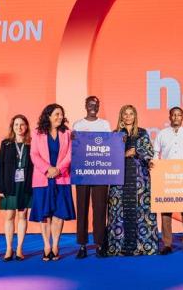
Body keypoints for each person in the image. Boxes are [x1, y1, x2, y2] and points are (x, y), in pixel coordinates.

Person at [106, 105, 158, 256]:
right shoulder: (115, 134)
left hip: (139, 179)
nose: (128, 117)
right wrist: (125, 154)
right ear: (121, 116)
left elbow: (149, 152)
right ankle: (118, 246)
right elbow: (108, 157)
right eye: (125, 114)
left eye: (131, 114)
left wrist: (137, 151)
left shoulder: (142, 133)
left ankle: (144, 246)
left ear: (135, 116)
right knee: (118, 211)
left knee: (142, 211)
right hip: (119, 179)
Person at [29, 104, 76, 261]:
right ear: (48, 116)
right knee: (45, 214)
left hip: (61, 178)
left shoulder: (67, 133)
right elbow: (34, 155)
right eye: (56, 114)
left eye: (61, 115)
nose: (59, 117)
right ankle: (46, 246)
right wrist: (48, 169)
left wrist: (58, 169)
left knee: (59, 213)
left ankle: (55, 245)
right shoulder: (37, 133)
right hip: (43, 179)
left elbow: (70, 154)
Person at [152, 106, 183, 256]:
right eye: (173, 115)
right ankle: (167, 244)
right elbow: (155, 154)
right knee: (166, 212)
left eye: (179, 115)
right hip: (167, 178)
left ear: (182, 117)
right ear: (169, 117)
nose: (176, 117)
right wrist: (153, 165)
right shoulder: (162, 134)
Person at [72, 96, 111, 259]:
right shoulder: (78, 125)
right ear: (85, 106)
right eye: (90, 104)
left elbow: (110, 147)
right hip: (82, 173)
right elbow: (75, 149)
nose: (93, 106)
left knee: (100, 209)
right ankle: (82, 244)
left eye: (96, 104)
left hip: (100, 173)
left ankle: (100, 244)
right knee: (82, 208)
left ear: (99, 106)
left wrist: (120, 141)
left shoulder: (105, 124)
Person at [0, 114, 33, 261]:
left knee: (22, 215)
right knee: (9, 216)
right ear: (12, 127)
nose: (19, 127)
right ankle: (8, 249)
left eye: (22, 124)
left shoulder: (32, 143)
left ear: (26, 127)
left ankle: (19, 249)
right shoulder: (6, 143)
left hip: (26, 185)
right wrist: (0, 188)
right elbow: (0, 166)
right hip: (9, 185)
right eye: (16, 124)